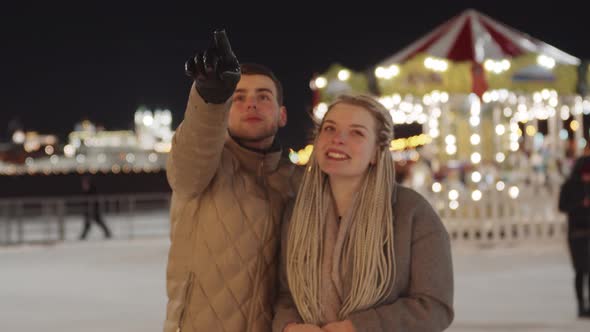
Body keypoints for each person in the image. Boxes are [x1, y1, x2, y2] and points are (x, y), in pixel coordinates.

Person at [273, 94, 454, 332]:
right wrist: (289, 325)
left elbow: (434, 307)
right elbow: (287, 293)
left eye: (356, 132)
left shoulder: (412, 213)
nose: (337, 139)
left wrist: (358, 327)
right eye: (329, 128)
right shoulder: (296, 213)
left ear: (376, 153)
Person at [164, 30, 300, 332]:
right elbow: (189, 162)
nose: (251, 104)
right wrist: (210, 99)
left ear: (282, 115)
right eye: (238, 97)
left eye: (263, 97)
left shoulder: (300, 183)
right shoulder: (204, 166)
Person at [559, 155, 590, 318]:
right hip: (577, 233)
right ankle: (580, 304)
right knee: (581, 270)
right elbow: (562, 207)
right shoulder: (569, 186)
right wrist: (580, 204)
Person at [79, 175, 112, 239]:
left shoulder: (92, 190)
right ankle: (83, 236)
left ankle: (107, 233)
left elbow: (94, 201)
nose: (83, 185)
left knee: (97, 221)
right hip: (89, 210)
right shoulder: (87, 191)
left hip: (94, 209)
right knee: (88, 223)